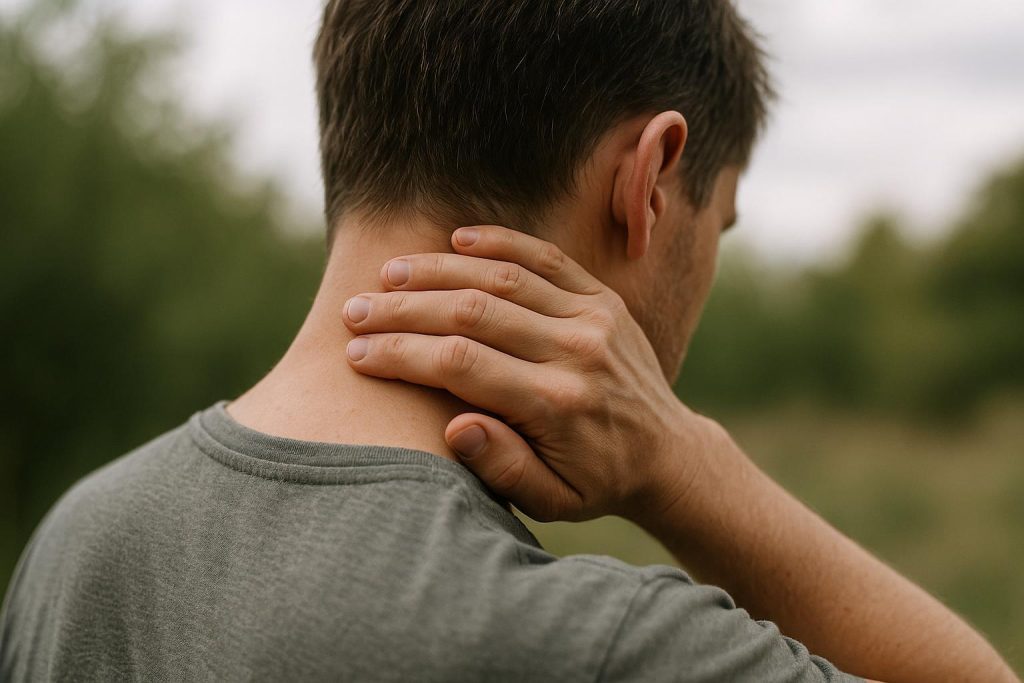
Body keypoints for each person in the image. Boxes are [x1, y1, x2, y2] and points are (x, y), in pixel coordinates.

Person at [1, 1, 1016, 681]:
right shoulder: (601, 644)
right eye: (722, 224)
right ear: (651, 179)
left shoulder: (82, 540)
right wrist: (693, 467)